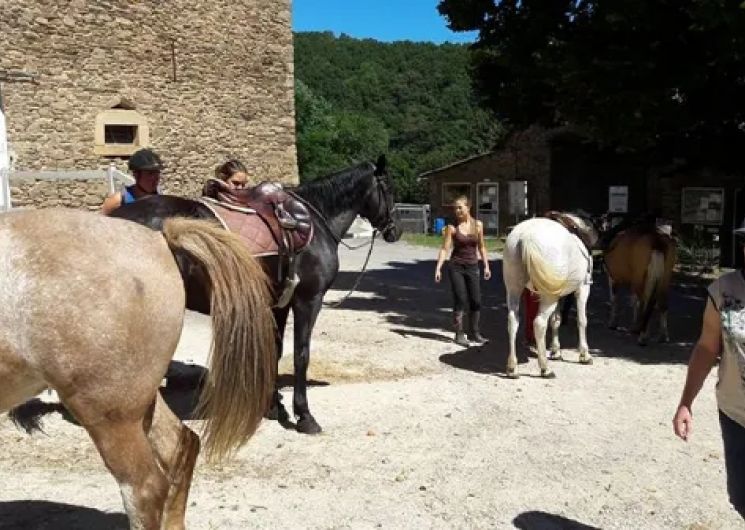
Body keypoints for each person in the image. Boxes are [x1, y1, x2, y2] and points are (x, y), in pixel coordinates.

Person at [673, 220, 745, 520]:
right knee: (741, 497)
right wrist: (686, 402)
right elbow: (706, 348)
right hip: (737, 415)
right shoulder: (724, 290)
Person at [434, 195, 492, 347]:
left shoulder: (478, 225)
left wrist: (486, 265)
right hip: (456, 267)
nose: (457, 211)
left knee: (476, 300)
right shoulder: (451, 228)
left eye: (460, 207)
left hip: (473, 266)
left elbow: (482, 246)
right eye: (455, 208)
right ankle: (459, 334)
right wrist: (438, 267)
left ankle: (474, 332)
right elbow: (445, 249)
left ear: (468, 207)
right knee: (460, 299)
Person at [101, 148, 163, 215]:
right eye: (150, 173)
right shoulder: (117, 201)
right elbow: (102, 222)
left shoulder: (161, 199)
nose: (155, 178)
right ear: (136, 175)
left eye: (157, 173)